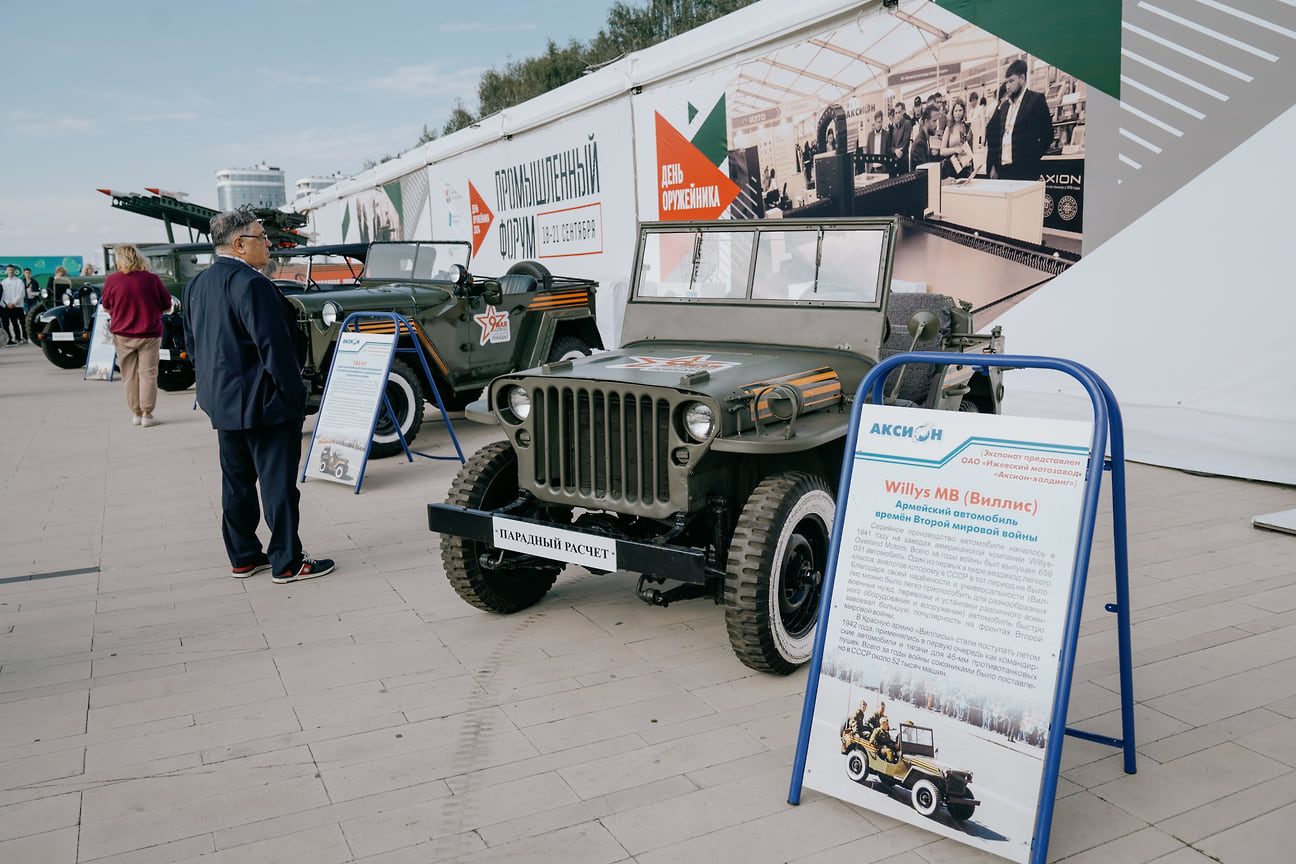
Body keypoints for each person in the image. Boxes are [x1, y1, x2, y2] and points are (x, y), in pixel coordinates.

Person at [183, 209, 333, 584]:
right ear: (238, 244)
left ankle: (244, 556)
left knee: (236, 483)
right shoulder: (252, 284)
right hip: (266, 402)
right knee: (277, 484)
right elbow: (275, 349)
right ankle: (287, 561)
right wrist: (294, 395)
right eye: (261, 237)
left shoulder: (196, 284)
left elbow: (192, 344)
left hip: (223, 402)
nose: (269, 244)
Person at [100, 244, 173, 427]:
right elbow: (167, 305)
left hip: (122, 334)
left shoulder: (112, 280)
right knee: (148, 374)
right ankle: (147, 414)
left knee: (129, 375)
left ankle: (136, 413)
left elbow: (105, 306)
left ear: (121, 259)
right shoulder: (152, 279)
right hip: (149, 333)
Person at [986, 58, 1054, 182]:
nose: (1007, 86)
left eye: (1011, 81)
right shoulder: (1005, 106)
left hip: (1025, 172)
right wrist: (994, 166)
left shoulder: (1036, 100)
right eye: (1006, 82)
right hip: (1003, 172)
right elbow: (996, 136)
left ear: (1022, 79)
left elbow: (1048, 135)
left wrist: (1032, 157)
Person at [940, 98, 975, 179]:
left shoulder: (967, 128)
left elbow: (970, 149)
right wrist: (955, 150)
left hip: (964, 167)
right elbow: (942, 151)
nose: (958, 113)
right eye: (956, 111)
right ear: (952, 112)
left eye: (960, 110)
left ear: (963, 112)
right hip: (951, 167)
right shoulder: (949, 128)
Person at [909, 103, 939, 170]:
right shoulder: (919, 143)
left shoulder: (925, 139)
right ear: (926, 122)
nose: (936, 125)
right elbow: (924, 172)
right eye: (934, 121)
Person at [1, 264, 26, 344]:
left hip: (18, 305)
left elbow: (21, 293)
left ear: (14, 271)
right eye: (9, 270)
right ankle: (17, 338)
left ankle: (25, 337)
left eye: (12, 270)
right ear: (6, 271)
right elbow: (3, 295)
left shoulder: (19, 281)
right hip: (8, 306)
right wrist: (8, 303)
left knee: (22, 323)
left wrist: (14, 302)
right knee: (14, 323)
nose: (10, 271)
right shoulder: (4, 282)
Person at [891, 104, 912, 173]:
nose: (897, 115)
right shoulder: (895, 128)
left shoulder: (907, 124)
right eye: (896, 113)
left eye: (899, 112)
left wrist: (899, 152)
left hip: (903, 160)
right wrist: (895, 151)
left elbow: (905, 143)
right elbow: (891, 146)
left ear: (903, 111)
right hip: (895, 161)